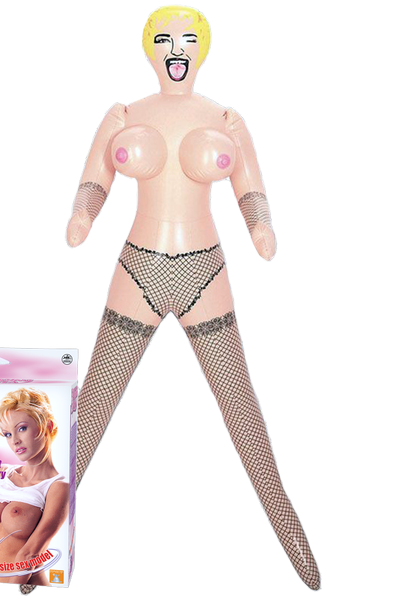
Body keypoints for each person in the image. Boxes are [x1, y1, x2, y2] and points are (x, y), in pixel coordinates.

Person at [66, 5, 320, 591]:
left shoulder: (224, 118)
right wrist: (82, 215)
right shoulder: (125, 114)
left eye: (186, 39)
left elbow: (250, 185)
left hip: (206, 271)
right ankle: (38, 536)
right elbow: (94, 180)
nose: (175, 49)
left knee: (242, 410)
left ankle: (295, 541)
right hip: (138, 268)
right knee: (93, 411)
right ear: (149, 49)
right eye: (164, 39)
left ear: (202, 49)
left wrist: (261, 226)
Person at [0, 388, 69, 589]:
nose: (14, 440)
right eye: (7, 434)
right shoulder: (0, 473)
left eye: (22, 428)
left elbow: (30, 554)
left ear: (47, 426)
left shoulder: (57, 488)